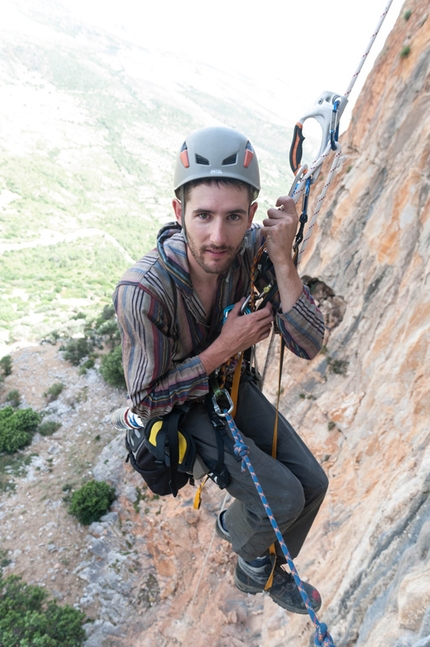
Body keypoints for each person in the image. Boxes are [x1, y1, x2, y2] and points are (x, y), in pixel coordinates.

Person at [113, 126, 329, 615]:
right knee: (281, 497)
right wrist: (221, 349)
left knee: (313, 485)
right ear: (178, 213)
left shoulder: (250, 255)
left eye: (233, 218)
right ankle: (240, 534)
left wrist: (283, 260)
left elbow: (308, 342)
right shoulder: (144, 291)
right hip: (177, 411)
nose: (217, 236)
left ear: (251, 215)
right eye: (203, 216)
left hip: (224, 386)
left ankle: (263, 568)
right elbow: (145, 401)